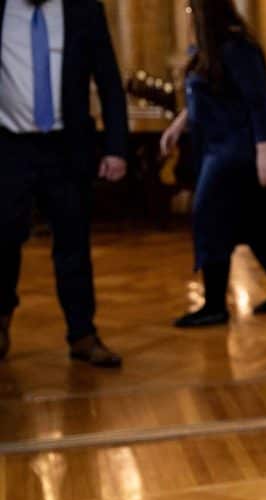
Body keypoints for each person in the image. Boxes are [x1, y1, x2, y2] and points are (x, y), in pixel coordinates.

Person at [0, 0, 128, 366]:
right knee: (3, 237)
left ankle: (83, 334)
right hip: (9, 146)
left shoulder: (83, 9)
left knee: (73, 242)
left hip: (67, 147)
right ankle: (1, 320)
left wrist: (116, 147)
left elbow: (108, 79)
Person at [160, 0, 266, 327]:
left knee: (208, 220)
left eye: (193, 10)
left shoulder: (238, 48)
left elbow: (257, 102)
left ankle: (214, 306)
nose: (189, 15)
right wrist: (179, 125)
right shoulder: (208, 48)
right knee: (254, 224)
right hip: (216, 148)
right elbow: (205, 94)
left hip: (234, 153)